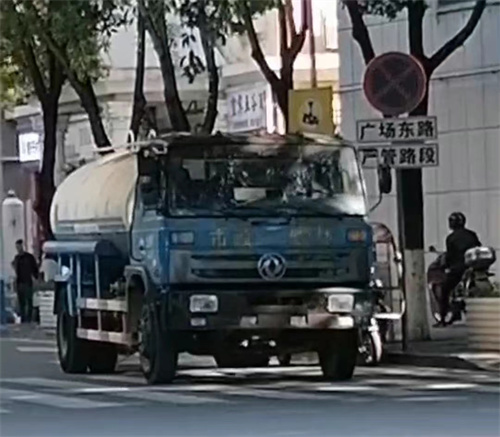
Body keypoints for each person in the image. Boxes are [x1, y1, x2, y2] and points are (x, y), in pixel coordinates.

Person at [439, 212, 481, 326]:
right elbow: (478, 247)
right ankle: (456, 311)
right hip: (473, 267)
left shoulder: (451, 238)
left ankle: (442, 318)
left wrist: (445, 266)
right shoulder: (472, 234)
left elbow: (450, 255)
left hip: (458, 269)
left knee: (444, 290)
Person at [11, 240, 39, 323]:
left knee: (29, 301)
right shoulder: (17, 258)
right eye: (17, 247)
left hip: (27, 282)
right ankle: (24, 319)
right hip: (20, 282)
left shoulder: (29, 257)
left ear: (22, 246)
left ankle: (28, 318)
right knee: (21, 302)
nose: (18, 249)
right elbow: (15, 269)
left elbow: (34, 268)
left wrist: (36, 277)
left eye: (19, 246)